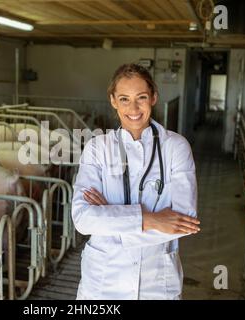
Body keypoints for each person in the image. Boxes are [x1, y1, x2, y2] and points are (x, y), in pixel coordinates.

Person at [71, 63, 200, 300]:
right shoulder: (97, 148)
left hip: (157, 280)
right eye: (124, 99)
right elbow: (83, 219)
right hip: (103, 282)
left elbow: (184, 219)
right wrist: (152, 219)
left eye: (141, 97)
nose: (133, 108)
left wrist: (110, 215)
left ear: (153, 98)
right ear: (113, 101)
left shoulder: (176, 147)